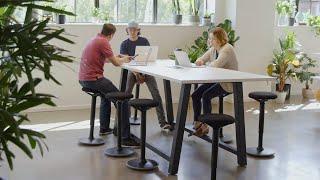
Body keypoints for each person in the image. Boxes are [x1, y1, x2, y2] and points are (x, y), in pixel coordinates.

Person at [78, 23, 140, 147]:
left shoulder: (95, 39)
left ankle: (104, 128)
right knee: (122, 100)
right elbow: (116, 64)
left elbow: (106, 59)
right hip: (94, 79)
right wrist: (123, 59)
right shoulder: (103, 42)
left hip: (84, 79)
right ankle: (125, 138)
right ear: (111, 35)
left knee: (106, 97)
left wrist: (117, 57)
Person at [120, 21, 170, 130]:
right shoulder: (124, 44)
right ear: (127, 30)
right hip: (133, 71)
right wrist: (137, 74)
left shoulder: (144, 41)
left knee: (156, 93)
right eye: (130, 29)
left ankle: (163, 122)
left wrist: (143, 73)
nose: (132, 31)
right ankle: (125, 121)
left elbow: (149, 58)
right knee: (126, 93)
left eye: (135, 29)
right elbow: (126, 62)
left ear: (138, 30)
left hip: (147, 71)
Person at [192, 27, 239, 137]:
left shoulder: (227, 49)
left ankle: (205, 126)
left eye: (211, 39)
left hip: (228, 83)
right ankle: (198, 123)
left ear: (218, 39)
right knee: (195, 95)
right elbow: (202, 59)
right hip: (218, 80)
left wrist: (204, 64)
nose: (209, 41)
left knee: (206, 95)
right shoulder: (214, 49)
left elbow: (216, 65)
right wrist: (200, 61)